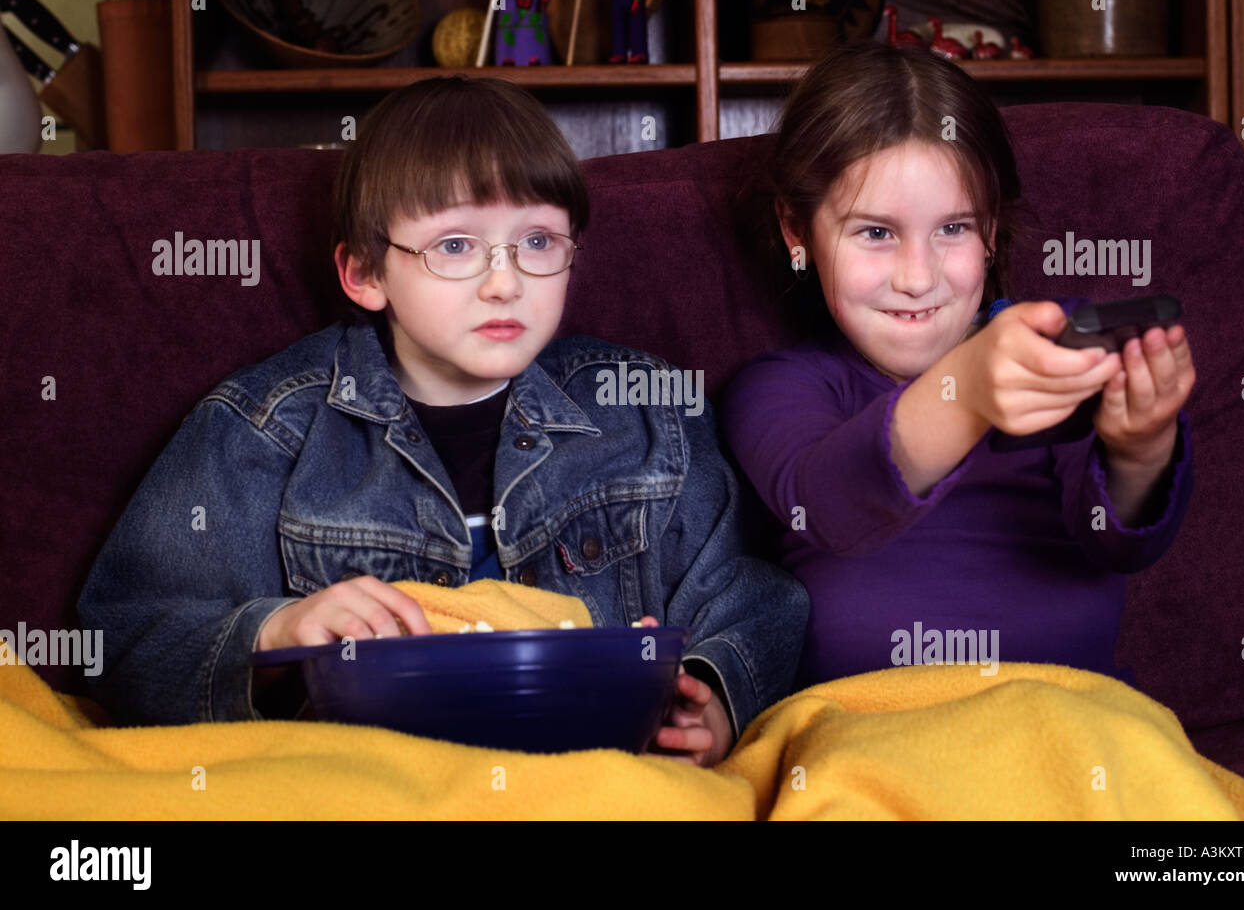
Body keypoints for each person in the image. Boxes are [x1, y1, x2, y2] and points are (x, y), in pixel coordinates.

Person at [78, 76, 807, 767]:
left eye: (538, 241)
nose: (505, 280)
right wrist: (275, 632)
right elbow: (125, 635)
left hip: (587, 769)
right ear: (365, 273)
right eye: (455, 246)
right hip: (371, 779)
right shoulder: (265, 426)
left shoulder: (644, 405)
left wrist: (712, 696)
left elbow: (753, 595)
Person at [722, 39, 1194, 690]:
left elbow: (1121, 542)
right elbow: (828, 503)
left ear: (992, 230)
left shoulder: (1050, 347)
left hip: (1068, 723)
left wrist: (1140, 445)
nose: (918, 278)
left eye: (953, 229)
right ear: (796, 230)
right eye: (876, 233)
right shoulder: (778, 388)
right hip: (866, 735)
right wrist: (965, 391)